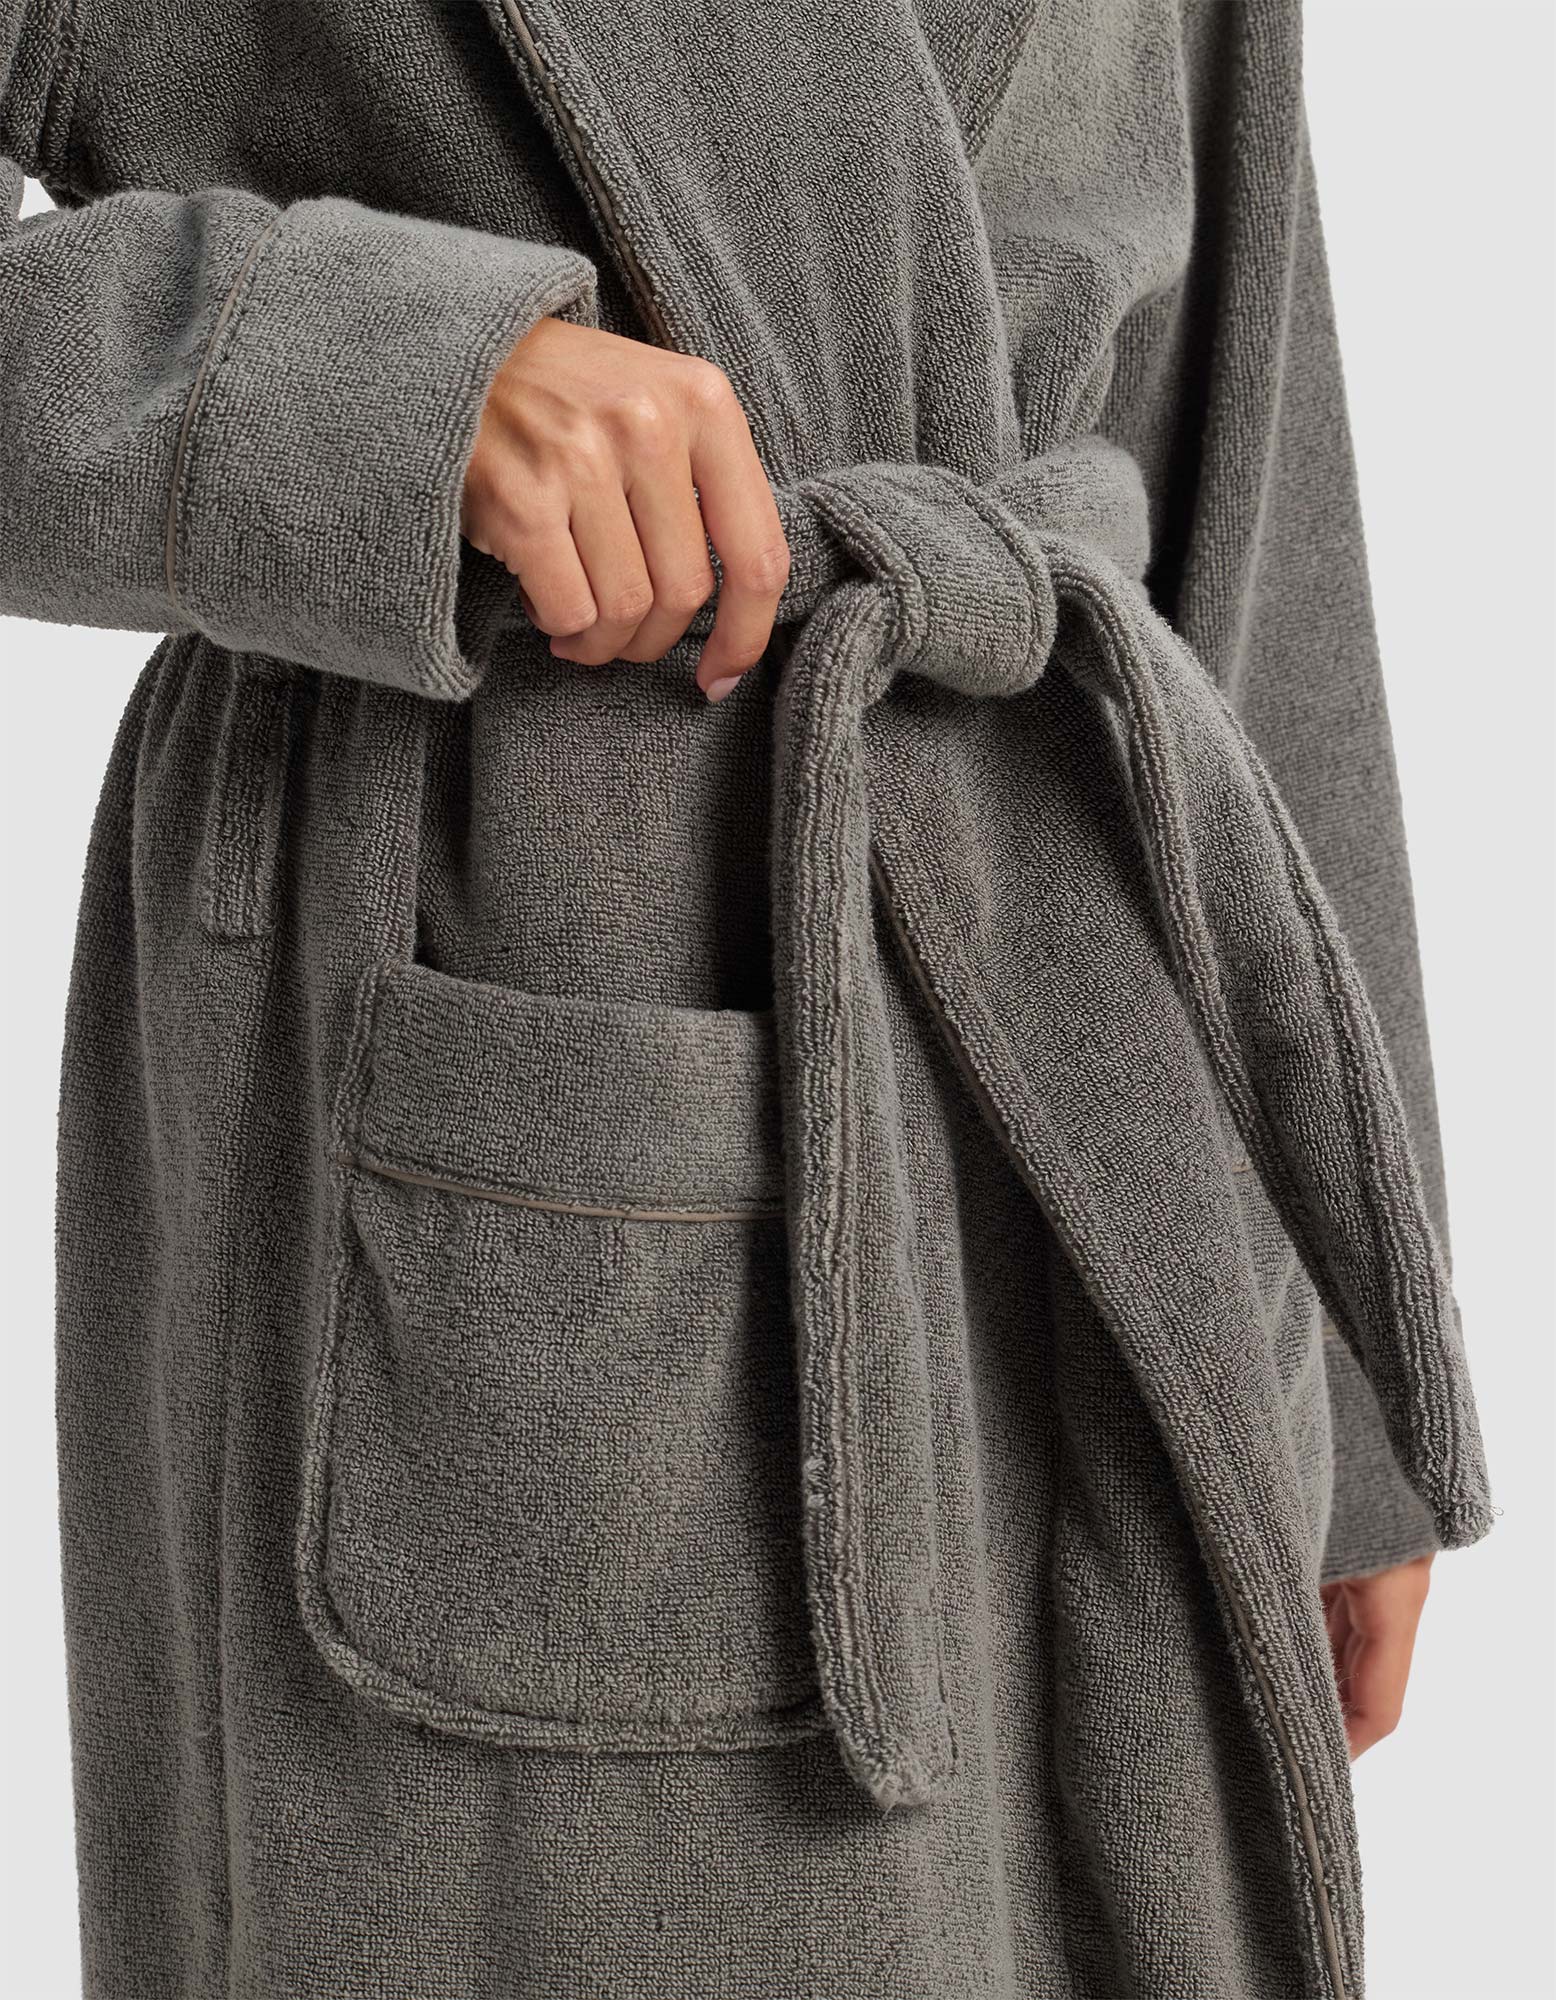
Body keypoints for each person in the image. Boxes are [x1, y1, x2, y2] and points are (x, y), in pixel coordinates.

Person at [1, 0, 1492, 1994]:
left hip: (1100, 1046)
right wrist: (364, 380)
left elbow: (1242, 404)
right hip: (514, 981)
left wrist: (1349, 1362)